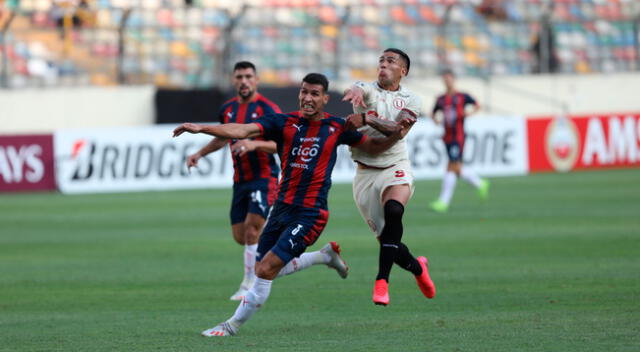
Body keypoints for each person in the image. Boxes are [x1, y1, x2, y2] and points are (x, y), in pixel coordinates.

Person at [173, 73, 409, 336]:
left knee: (265, 270)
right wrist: (200, 127)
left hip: (311, 214)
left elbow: (374, 147)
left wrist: (393, 134)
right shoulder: (283, 123)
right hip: (282, 209)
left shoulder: (337, 127)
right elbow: (240, 130)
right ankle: (324, 256)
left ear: (325, 99)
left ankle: (230, 326)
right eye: (304, 92)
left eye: (314, 94)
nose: (308, 98)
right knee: (265, 266)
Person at [341, 48, 436, 306]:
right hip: (364, 174)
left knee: (395, 210)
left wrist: (367, 118)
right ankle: (419, 269)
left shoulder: (411, 99)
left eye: (390, 61)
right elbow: (360, 88)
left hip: (395, 164)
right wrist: (358, 93)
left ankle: (382, 281)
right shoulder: (368, 88)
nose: (383, 64)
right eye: (381, 60)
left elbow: (398, 131)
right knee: (390, 245)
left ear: (402, 71)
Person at [186, 61, 281, 301]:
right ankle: (311, 255)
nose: (244, 81)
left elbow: (282, 144)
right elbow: (221, 138)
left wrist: (254, 144)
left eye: (248, 76)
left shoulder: (269, 109)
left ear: (256, 80)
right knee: (241, 236)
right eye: (239, 77)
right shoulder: (227, 109)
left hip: (264, 177)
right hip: (241, 180)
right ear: (233, 80)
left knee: (251, 231)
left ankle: (249, 283)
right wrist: (200, 153)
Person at [429, 69, 489, 213]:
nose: (447, 81)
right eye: (445, 79)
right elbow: (433, 113)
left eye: (449, 78)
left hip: (458, 137)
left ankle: (444, 202)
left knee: (452, 166)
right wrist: (436, 120)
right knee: (453, 167)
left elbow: (477, 104)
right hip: (447, 137)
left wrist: (469, 113)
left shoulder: (462, 96)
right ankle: (479, 184)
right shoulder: (441, 99)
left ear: (453, 80)